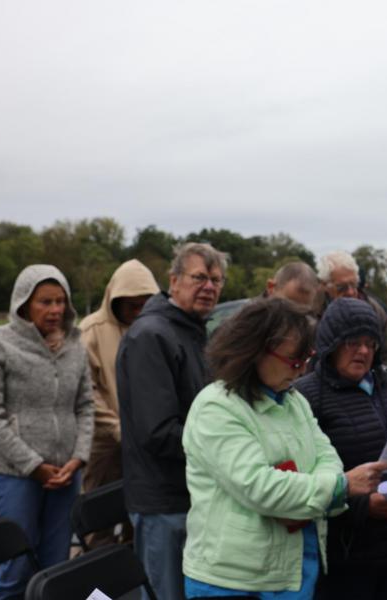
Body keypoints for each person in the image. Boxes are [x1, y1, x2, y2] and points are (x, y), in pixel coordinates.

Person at [182, 297, 387, 599]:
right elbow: (260, 486)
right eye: (294, 360)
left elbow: (327, 456)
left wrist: (313, 487)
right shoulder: (216, 407)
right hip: (234, 581)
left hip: (292, 570)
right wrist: (338, 487)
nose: (303, 369)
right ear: (253, 351)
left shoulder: (293, 401)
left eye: (307, 358)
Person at [294, 298, 387, 600]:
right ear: (331, 344)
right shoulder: (307, 395)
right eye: (352, 342)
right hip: (350, 555)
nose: (363, 351)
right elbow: (306, 477)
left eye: (370, 342)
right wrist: (363, 507)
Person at [0, 265, 95, 598]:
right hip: (13, 476)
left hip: (65, 476)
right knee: (17, 569)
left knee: (54, 569)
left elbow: (85, 406)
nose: (55, 310)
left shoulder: (75, 344)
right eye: (45, 302)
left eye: (60, 301)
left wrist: (79, 458)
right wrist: (34, 466)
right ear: (23, 303)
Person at [117, 242, 226, 600]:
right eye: (199, 277)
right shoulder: (152, 335)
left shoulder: (193, 332)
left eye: (216, 279)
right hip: (162, 499)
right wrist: (225, 449)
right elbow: (157, 432)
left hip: (191, 494)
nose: (208, 287)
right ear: (174, 280)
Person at [78, 259, 159, 547]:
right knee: (98, 522)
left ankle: (131, 586)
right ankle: (95, 589)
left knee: (139, 523)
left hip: (145, 445)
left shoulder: (156, 331)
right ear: (114, 300)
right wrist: (117, 428)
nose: (138, 312)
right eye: (131, 305)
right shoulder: (91, 332)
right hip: (104, 444)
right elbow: (86, 391)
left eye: (144, 304)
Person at [317, 251, 387, 368]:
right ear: (324, 285)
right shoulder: (313, 311)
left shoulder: (375, 310)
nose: (351, 292)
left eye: (354, 285)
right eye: (341, 287)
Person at [206, 261, 320, 335]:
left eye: (302, 310)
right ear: (271, 287)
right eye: (288, 305)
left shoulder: (309, 325)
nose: (294, 315)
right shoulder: (244, 321)